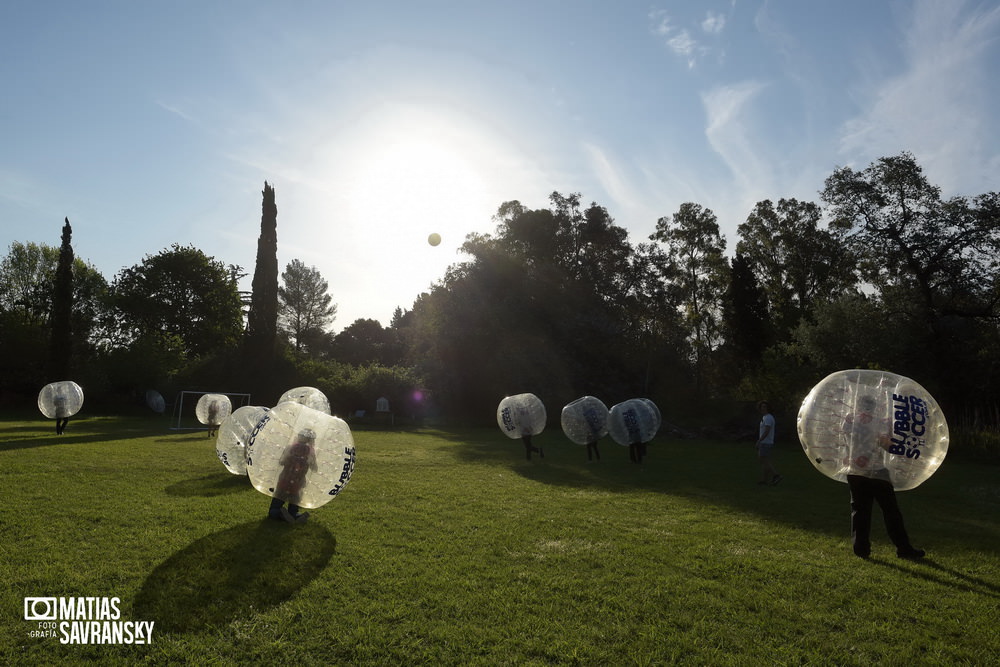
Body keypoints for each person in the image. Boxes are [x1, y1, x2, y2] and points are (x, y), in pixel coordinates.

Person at [843, 395, 925, 559]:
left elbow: (846, 441)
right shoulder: (878, 423)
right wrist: (900, 444)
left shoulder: (848, 421)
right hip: (877, 471)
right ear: (873, 408)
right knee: (891, 511)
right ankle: (904, 549)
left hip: (854, 470)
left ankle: (861, 549)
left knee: (860, 511)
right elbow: (886, 446)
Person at [268, 429, 319, 524]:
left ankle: (279, 513)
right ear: (311, 440)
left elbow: (281, 461)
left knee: (275, 507)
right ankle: (293, 515)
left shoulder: (290, 447)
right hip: (298, 483)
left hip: (284, 480)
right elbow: (314, 468)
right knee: (294, 505)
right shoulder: (311, 452)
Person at [755, 401, 781, 485]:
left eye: (764, 407)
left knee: (764, 460)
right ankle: (764, 480)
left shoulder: (768, 418)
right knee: (764, 461)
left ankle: (776, 475)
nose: (763, 408)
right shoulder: (765, 417)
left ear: (768, 408)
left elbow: (766, 431)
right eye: (761, 407)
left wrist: (759, 440)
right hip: (765, 442)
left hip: (766, 442)